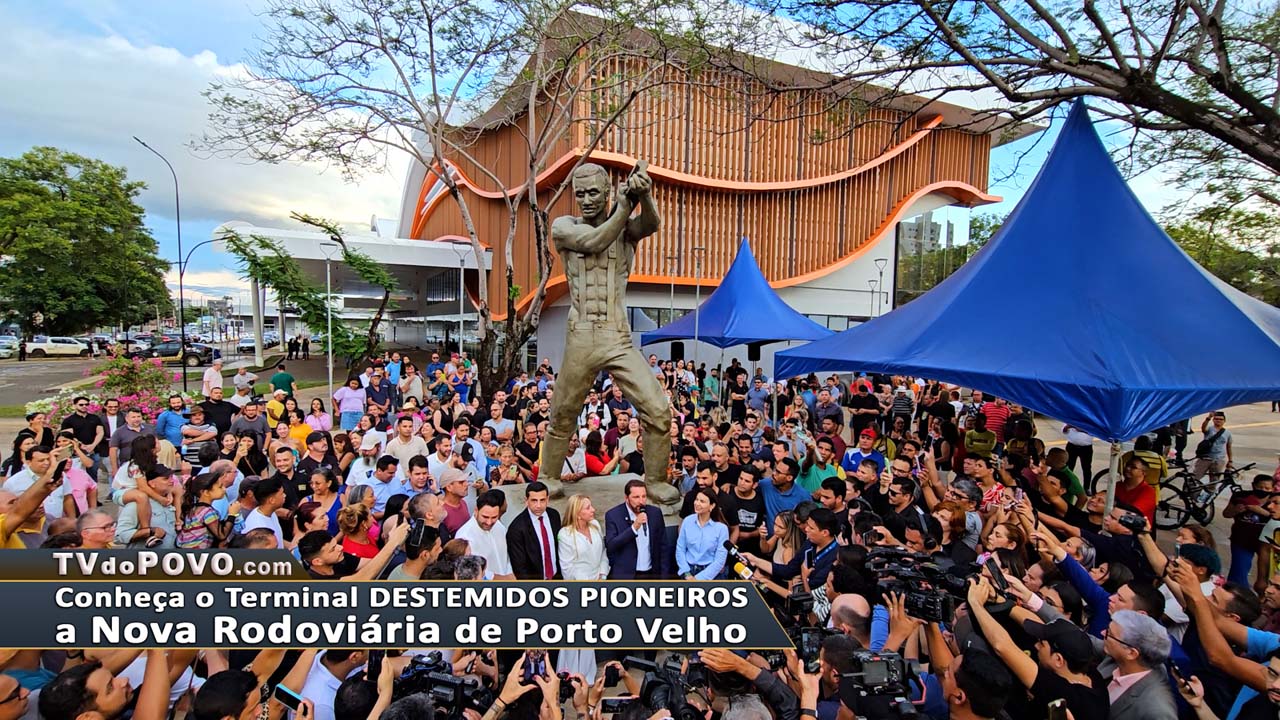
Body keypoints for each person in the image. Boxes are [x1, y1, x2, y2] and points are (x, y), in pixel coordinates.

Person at [556, 494, 609, 679]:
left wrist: (602, 575)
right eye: (587, 507)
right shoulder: (565, 534)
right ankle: (567, 673)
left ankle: (587, 674)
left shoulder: (595, 526)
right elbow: (567, 567)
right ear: (578, 513)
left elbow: (603, 553)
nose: (592, 510)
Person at [604, 479, 668, 578]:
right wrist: (634, 528)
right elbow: (611, 546)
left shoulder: (655, 513)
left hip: (651, 573)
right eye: (636, 497)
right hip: (627, 576)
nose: (641, 501)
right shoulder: (613, 515)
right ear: (626, 497)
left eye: (644, 496)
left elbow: (663, 546)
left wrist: (664, 578)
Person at [505, 482, 562, 580]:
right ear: (526, 501)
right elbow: (520, 567)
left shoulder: (554, 515)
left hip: (557, 577)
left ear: (548, 499)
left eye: (542, 500)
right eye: (534, 500)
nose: (538, 505)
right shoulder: (516, 528)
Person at [455, 490, 514, 579]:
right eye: (485, 517)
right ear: (476, 511)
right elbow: (468, 572)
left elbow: (507, 556)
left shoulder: (499, 526)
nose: (489, 522)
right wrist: (503, 579)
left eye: (494, 517)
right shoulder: (464, 536)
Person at [676, 487, 729, 580]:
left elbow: (720, 560)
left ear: (712, 506)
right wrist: (687, 573)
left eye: (702, 501)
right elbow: (680, 549)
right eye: (696, 500)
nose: (697, 503)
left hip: (711, 573)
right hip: (688, 570)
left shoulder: (721, 529)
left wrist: (698, 579)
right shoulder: (687, 521)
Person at [1193, 411, 1233, 482]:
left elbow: (1229, 447)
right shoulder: (1209, 429)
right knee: (1195, 478)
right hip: (1205, 458)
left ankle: (1209, 493)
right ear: (1213, 420)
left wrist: (1230, 460)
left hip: (1218, 460)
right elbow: (1203, 428)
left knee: (1214, 481)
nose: (1218, 420)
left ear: (1224, 421)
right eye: (1216, 419)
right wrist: (1208, 418)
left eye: (1221, 419)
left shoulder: (1228, 433)